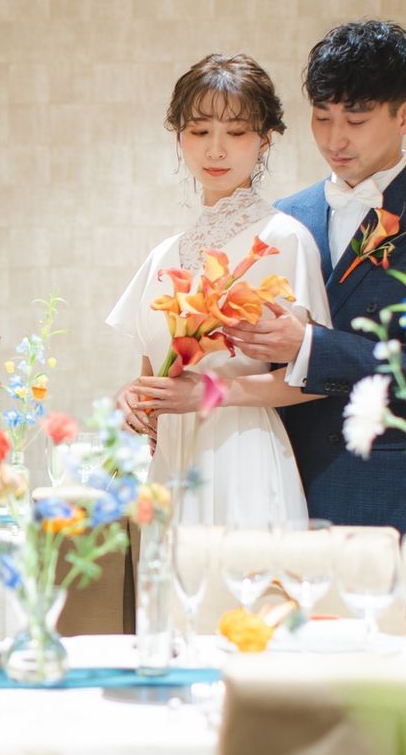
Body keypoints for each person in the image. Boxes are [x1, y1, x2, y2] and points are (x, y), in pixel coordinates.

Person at [222, 19, 406, 532]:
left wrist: (309, 345)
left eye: (356, 119)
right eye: (322, 117)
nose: (335, 139)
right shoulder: (285, 217)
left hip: (395, 496)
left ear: (405, 115)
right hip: (286, 484)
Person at [108, 54, 330, 526]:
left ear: (264, 141)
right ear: (179, 138)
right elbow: (151, 377)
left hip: (244, 461)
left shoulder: (283, 239)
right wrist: (131, 399)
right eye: (199, 130)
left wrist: (211, 392)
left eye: (236, 131)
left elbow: (314, 380)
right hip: (170, 468)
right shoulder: (163, 256)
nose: (216, 150)